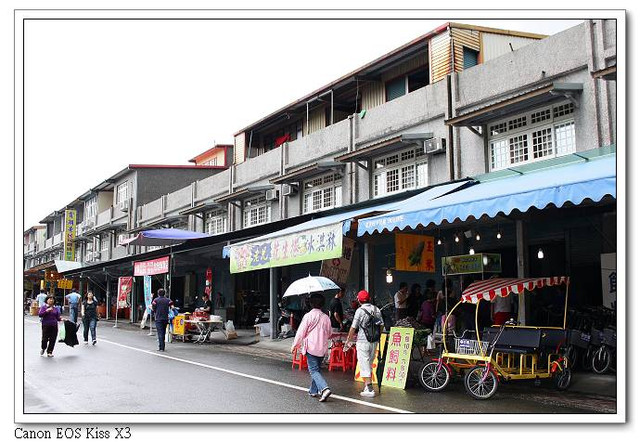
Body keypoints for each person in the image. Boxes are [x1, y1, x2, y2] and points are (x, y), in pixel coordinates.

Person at [291, 292, 333, 402]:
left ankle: (324, 388)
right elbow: (329, 334)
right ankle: (313, 391)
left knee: (313, 371)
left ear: (310, 303)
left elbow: (301, 332)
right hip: (322, 348)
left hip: (311, 347)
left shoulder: (308, 316)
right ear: (323, 304)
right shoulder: (326, 318)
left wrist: (295, 345)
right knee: (316, 370)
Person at [345, 290, 383, 398]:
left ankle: (369, 388)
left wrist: (349, 339)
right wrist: (377, 336)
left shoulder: (359, 311)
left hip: (363, 340)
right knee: (370, 362)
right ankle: (367, 386)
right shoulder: (377, 310)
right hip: (374, 341)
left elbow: (353, 327)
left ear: (359, 300)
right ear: (369, 299)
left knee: (364, 363)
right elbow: (381, 325)